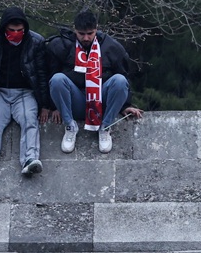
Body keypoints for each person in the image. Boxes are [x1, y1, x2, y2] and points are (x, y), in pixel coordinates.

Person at [0, 6, 52, 178]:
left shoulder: (36, 42)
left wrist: (45, 104)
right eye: (11, 30)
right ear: (4, 28)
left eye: (19, 30)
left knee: (30, 120)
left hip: (25, 92)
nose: (15, 33)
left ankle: (30, 159)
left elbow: (42, 74)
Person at [47, 9, 142, 154]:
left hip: (100, 101)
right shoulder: (62, 45)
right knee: (57, 79)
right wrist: (53, 106)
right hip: (76, 100)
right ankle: (70, 126)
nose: (86, 38)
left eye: (90, 34)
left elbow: (124, 75)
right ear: (75, 30)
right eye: (81, 34)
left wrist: (125, 106)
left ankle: (105, 127)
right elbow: (50, 73)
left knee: (120, 80)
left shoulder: (112, 47)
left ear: (96, 29)